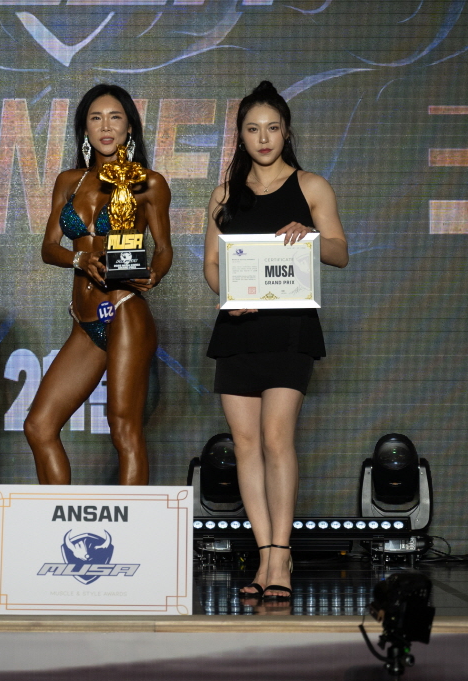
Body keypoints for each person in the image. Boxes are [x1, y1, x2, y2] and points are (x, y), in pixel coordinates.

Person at [203, 81, 347, 602]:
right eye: (252, 129)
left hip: (290, 330)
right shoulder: (224, 194)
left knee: (275, 439)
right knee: (244, 444)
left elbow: (340, 252)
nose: (263, 138)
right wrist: (228, 298)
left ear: (286, 133)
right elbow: (212, 266)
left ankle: (281, 556)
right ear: (240, 136)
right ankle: (264, 557)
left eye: (272, 128)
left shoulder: (311, 187)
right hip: (238, 330)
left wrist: (308, 236)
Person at [24, 84, 172, 485]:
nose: (106, 126)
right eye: (96, 118)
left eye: (115, 117)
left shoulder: (149, 183)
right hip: (85, 320)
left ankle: (133, 526)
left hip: (124, 310)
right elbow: (49, 248)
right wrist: (78, 259)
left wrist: (155, 273)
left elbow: (163, 249)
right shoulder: (68, 182)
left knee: (124, 428)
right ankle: (57, 520)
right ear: (85, 129)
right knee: (39, 426)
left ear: (130, 127)